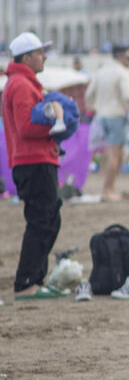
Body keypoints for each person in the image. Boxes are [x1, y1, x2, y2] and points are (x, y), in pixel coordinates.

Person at [4, 32, 65, 298]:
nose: (44, 57)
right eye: (40, 52)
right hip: (34, 160)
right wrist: (56, 124)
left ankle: (34, 278)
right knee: (42, 220)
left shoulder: (22, 83)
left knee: (49, 218)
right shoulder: (21, 85)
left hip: (36, 159)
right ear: (27, 57)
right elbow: (27, 127)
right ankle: (27, 282)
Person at [84, 43, 129, 200]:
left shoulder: (101, 72)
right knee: (116, 154)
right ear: (120, 57)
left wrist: (93, 108)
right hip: (117, 115)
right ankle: (109, 189)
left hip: (102, 116)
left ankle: (108, 187)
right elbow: (128, 96)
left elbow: (89, 94)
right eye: (128, 57)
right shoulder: (122, 73)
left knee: (108, 153)